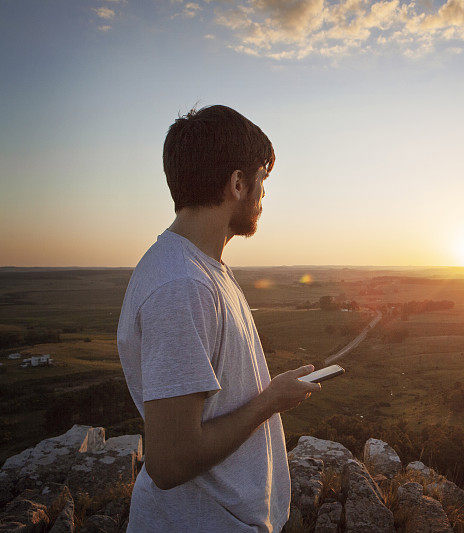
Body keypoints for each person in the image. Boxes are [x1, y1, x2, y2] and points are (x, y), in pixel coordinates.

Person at [116, 104, 320, 532]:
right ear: (238, 183)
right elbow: (170, 462)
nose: (264, 196)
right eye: (261, 181)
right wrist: (271, 400)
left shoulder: (203, 270)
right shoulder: (181, 286)